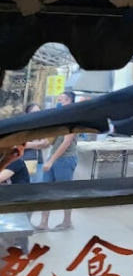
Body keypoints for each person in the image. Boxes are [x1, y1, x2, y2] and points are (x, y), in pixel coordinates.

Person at [32, 90, 78, 231]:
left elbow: (66, 142)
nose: (60, 102)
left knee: (64, 192)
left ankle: (67, 222)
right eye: (59, 99)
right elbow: (52, 141)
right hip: (53, 157)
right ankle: (43, 223)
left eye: (63, 100)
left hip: (65, 159)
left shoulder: (74, 119)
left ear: (70, 102)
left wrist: (51, 160)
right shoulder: (60, 119)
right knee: (46, 191)